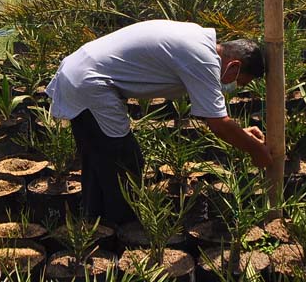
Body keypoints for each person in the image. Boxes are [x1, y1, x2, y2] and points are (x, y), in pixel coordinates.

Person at [46, 19, 272, 223]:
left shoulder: (197, 38)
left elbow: (216, 117)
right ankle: (122, 226)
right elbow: (218, 123)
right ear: (234, 66)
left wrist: (242, 135)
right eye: (239, 82)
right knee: (124, 160)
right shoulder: (203, 59)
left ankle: (95, 219)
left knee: (97, 155)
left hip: (78, 71)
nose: (234, 88)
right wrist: (256, 150)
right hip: (91, 83)